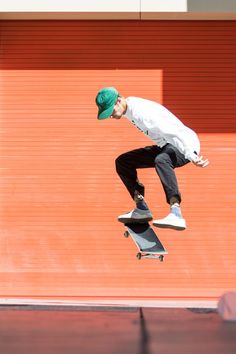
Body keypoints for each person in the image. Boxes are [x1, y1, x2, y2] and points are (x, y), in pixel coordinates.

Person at [95, 87, 209, 231]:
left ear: (118, 101)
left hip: (183, 144)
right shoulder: (129, 107)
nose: (111, 116)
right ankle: (141, 208)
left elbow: (175, 132)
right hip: (166, 145)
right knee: (123, 162)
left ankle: (176, 213)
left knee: (161, 160)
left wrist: (191, 155)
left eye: (111, 112)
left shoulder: (142, 112)